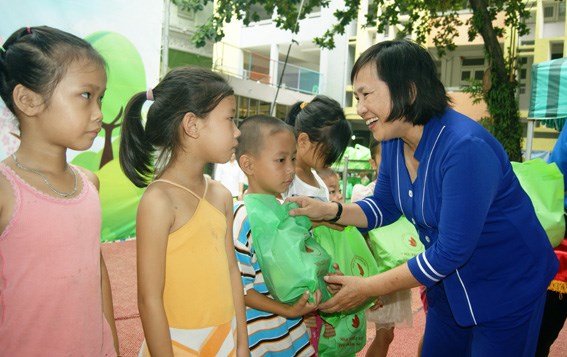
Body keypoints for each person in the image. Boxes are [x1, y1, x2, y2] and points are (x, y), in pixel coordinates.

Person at [287, 39, 559, 356]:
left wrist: (367, 288)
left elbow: (452, 250)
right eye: (357, 96)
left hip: (506, 285)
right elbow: (382, 207)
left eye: (367, 94)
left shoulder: (464, 148)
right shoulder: (392, 140)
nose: (360, 108)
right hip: (449, 286)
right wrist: (328, 210)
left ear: (409, 90)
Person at [0, 26, 119, 355]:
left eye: (100, 98)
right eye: (85, 95)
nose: (99, 113)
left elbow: (98, 275)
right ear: (28, 100)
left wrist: (113, 347)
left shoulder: (89, 184)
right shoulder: (6, 191)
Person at [119, 67, 248, 356]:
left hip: (225, 340)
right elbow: (148, 299)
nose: (237, 131)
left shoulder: (220, 195)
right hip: (176, 345)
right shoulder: (159, 201)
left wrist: (241, 343)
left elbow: (231, 270)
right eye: (229, 119)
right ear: (192, 125)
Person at [232, 115, 318, 356]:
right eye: (280, 160)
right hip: (262, 337)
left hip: (294, 334)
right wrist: (288, 310)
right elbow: (242, 289)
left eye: (292, 158)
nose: (290, 169)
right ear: (248, 165)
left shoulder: (289, 210)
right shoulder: (242, 219)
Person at [347, 141, 415, 357]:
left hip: (396, 269)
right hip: (372, 270)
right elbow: (355, 236)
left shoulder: (407, 191)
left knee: (388, 334)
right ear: (373, 162)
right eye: (384, 159)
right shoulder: (364, 193)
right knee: (377, 334)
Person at [283, 95, 352, 202]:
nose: (330, 163)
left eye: (334, 157)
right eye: (327, 153)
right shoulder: (284, 179)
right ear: (303, 141)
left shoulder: (319, 181)